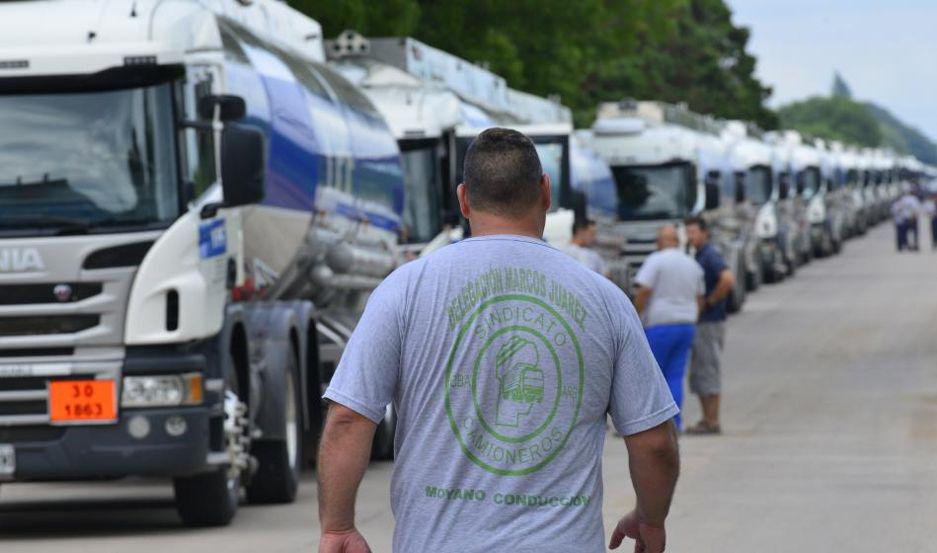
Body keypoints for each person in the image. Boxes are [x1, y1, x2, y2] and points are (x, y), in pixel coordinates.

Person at [317, 128, 680, 553]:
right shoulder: (605, 300)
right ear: (545, 192)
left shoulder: (404, 290)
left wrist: (338, 526)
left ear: (464, 199)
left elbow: (348, 420)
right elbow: (653, 442)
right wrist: (650, 519)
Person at [633, 225, 704, 431]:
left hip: (659, 324)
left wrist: (635, 315)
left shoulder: (656, 260)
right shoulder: (692, 264)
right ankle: (674, 423)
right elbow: (700, 297)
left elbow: (644, 290)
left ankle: (650, 425)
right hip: (686, 324)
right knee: (675, 375)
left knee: (653, 377)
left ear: (660, 241)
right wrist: (693, 318)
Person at [684, 216, 734, 436]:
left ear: (704, 233)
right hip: (702, 322)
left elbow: (727, 279)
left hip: (710, 322)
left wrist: (710, 301)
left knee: (708, 369)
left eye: (693, 231)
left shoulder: (710, 255)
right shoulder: (698, 255)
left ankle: (712, 420)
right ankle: (706, 418)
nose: (690, 236)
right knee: (700, 371)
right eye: (687, 232)